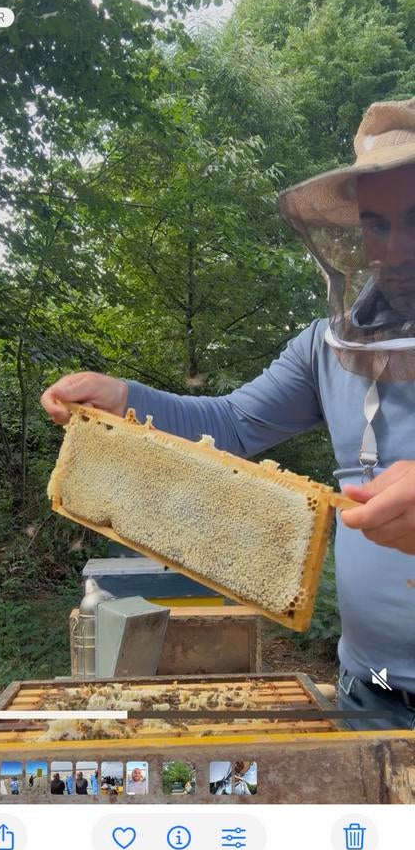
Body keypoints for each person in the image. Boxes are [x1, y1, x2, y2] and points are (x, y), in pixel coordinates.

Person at [42, 98, 415, 731]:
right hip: (368, 685)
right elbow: (235, 424)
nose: (394, 249)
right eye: (377, 224)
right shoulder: (327, 348)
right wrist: (127, 399)